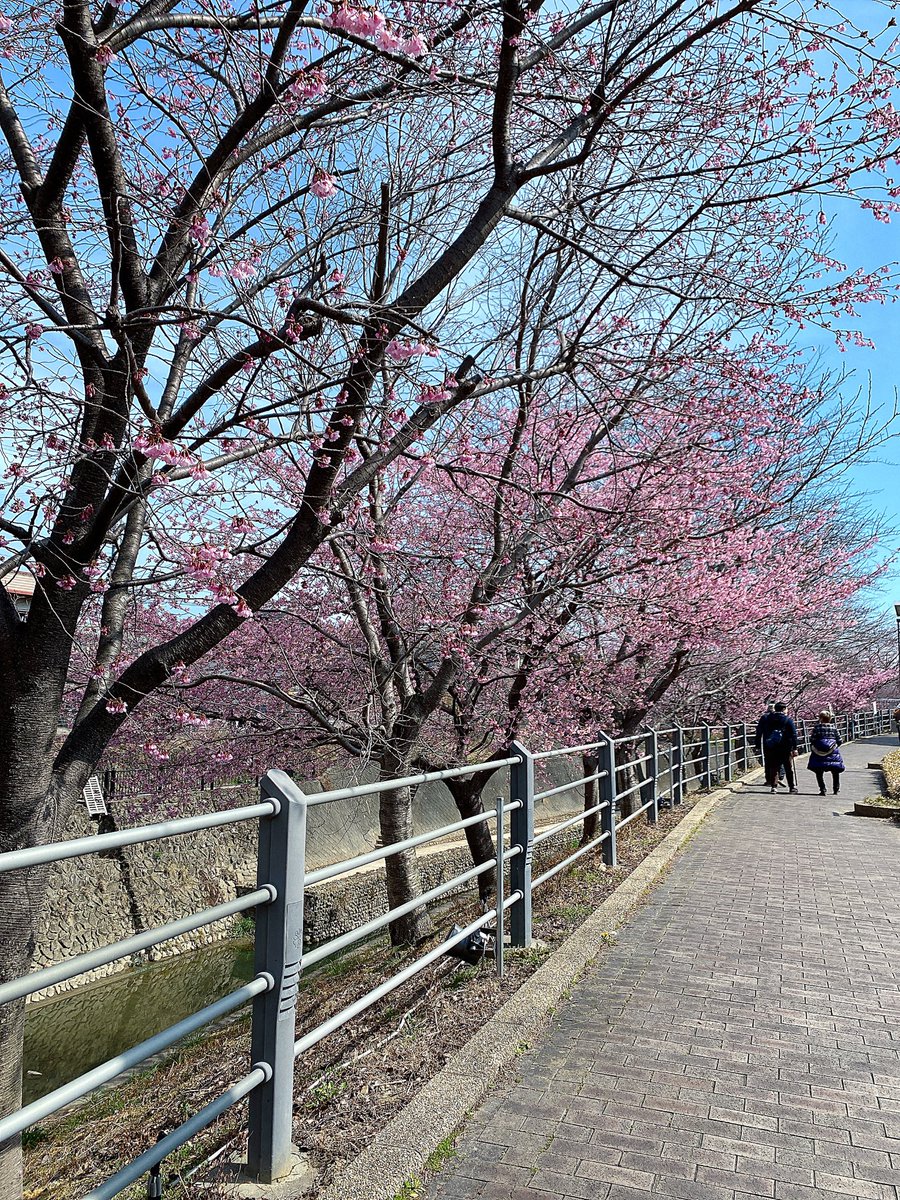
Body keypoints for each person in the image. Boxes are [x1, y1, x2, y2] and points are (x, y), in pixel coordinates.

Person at [756, 701, 799, 793]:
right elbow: (794, 735)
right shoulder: (788, 720)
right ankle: (792, 787)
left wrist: (758, 744)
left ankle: (774, 787)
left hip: (771, 746)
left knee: (773, 766)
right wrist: (794, 748)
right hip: (785, 747)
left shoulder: (767, 718)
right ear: (784, 709)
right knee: (788, 767)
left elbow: (759, 731)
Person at [806, 710, 844, 795]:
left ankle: (822, 789)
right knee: (835, 771)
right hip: (833, 752)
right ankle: (836, 789)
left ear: (821, 718)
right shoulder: (833, 727)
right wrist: (834, 746)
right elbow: (840, 740)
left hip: (818, 752)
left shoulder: (817, 727)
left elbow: (812, 739)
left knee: (818, 771)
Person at [755, 698, 787, 786]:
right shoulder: (782, 718)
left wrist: (757, 743)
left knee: (768, 760)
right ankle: (780, 776)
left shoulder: (765, 717)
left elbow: (759, 731)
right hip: (780, 741)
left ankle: (769, 779)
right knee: (781, 759)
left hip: (767, 742)